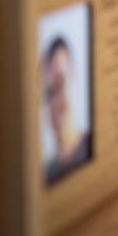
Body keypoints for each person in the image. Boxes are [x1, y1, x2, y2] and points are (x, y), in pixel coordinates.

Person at [41, 36, 91, 184]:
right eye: (49, 92)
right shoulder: (45, 175)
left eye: (61, 81)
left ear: (74, 78)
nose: (56, 102)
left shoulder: (93, 144)